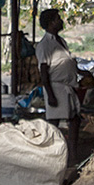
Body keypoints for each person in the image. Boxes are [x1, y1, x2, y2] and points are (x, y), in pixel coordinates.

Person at [36, 8, 80, 159]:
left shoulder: (61, 41)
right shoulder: (44, 45)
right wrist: (50, 95)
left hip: (67, 87)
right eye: (58, 18)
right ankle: (51, 155)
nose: (61, 21)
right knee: (53, 123)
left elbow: (65, 62)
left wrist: (80, 72)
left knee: (74, 119)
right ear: (50, 23)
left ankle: (72, 154)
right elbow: (43, 71)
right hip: (56, 87)